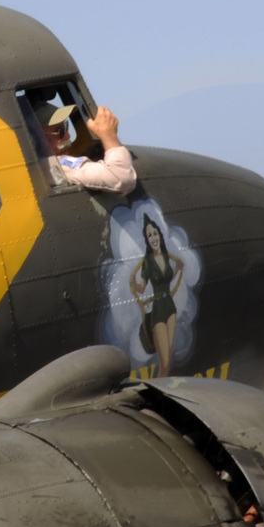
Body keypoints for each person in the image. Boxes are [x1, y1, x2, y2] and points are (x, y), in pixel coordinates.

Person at [129, 215, 185, 377]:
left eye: (155, 233)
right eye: (149, 235)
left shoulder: (167, 257)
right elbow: (142, 288)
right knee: (165, 362)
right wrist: (134, 284)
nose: (153, 237)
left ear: (160, 235)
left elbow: (168, 279)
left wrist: (177, 269)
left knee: (168, 362)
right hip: (158, 312)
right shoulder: (148, 262)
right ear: (147, 240)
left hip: (170, 309)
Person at [43, 103, 137, 194]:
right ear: (36, 138)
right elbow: (121, 177)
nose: (68, 135)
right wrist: (109, 136)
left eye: (66, 127)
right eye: (60, 131)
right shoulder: (52, 166)